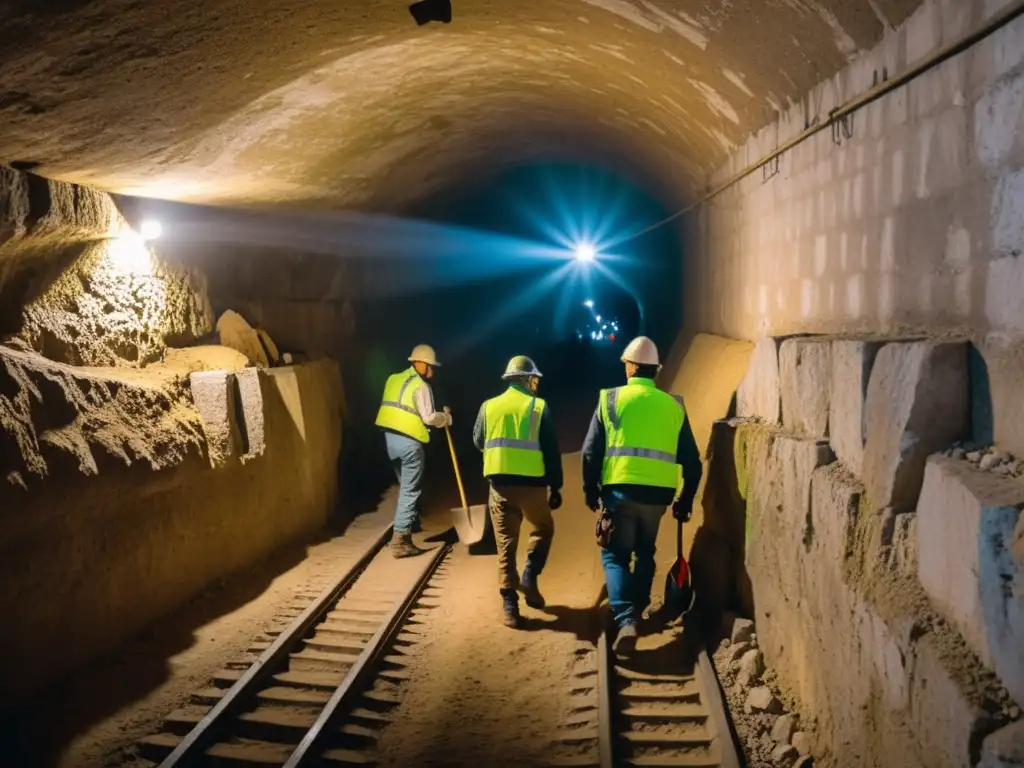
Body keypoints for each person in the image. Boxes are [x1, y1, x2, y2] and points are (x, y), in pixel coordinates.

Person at [581, 336, 702, 656]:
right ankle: (641, 602)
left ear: (632, 366)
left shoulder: (610, 400)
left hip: (619, 491)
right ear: (655, 370)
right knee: (645, 550)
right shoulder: (673, 405)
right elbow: (692, 461)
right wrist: (685, 500)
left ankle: (626, 619)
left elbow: (591, 453)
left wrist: (590, 490)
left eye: (626, 364)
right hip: (659, 497)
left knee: (615, 555)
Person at [473, 355, 563, 628]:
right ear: (527, 379)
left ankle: (510, 606)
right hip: (533, 486)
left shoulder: (488, 407)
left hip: (500, 485)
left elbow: (479, 441)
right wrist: (555, 485)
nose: (536, 384)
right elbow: (550, 451)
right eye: (534, 380)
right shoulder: (538, 407)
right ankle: (529, 575)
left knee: (505, 544)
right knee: (543, 529)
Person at [375, 344, 452, 558]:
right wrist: (445, 418)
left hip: (390, 440)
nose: (432, 372)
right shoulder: (421, 386)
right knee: (411, 489)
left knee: (405, 485)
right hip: (409, 442)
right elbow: (428, 418)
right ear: (421, 364)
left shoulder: (393, 378)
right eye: (430, 367)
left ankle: (411, 520)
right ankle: (401, 540)